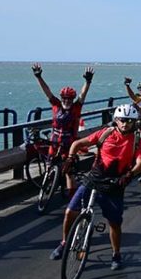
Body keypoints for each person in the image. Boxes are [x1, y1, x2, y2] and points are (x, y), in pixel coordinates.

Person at [49, 104, 141, 270]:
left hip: (115, 185)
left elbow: (140, 162)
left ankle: (116, 254)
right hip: (93, 179)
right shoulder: (105, 133)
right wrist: (70, 159)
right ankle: (64, 243)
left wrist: (129, 175)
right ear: (116, 120)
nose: (125, 124)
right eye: (122, 120)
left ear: (134, 122)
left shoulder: (136, 141)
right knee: (70, 212)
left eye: (129, 121)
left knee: (114, 223)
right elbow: (78, 143)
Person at [31, 63, 95, 197]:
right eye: (64, 98)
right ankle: (48, 185)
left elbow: (83, 95)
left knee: (69, 173)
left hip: (68, 144)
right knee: (49, 167)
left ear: (72, 99)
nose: (66, 101)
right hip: (54, 141)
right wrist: (38, 77)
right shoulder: (56, 105)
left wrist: (87, 81)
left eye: (69, 99)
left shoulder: (76, 108)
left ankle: (72, 199)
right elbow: (47, 90)